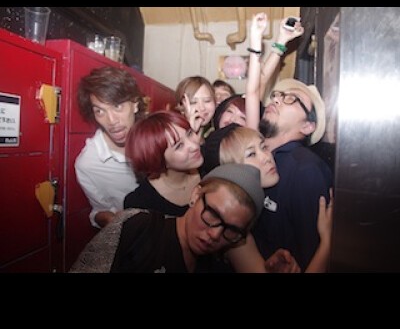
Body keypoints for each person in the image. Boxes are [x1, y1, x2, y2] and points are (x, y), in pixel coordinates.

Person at [246, 13, 334, 271]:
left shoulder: (306, 170)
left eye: (291, 99)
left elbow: (310, 253)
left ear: (308, 126)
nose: (276, 99)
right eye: (277, 95)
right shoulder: (257, 150)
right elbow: (253, 91)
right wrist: (279, 41)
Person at [111, 163, 297, 273]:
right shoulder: (138, 227)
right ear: (195, 195)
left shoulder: (217, 264)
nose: (215, 235)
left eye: (232, 230)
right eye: (213, 214)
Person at [202, 123, 333, 273]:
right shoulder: (232, 231)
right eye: (251, 154)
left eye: (263, 147)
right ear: (230, 169)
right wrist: (327, 242)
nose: (267, 157)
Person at [75, 66, 146, 229]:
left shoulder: (155, 138)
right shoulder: (88, 163)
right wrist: (109, 220)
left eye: (117, 106)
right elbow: (99, 210)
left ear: (135, 104)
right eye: (100, 111)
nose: (112, 121)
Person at [124, 111, 204, 216]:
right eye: (179, 146)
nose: (194, 146)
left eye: (189, 134)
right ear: (158, 160)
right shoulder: (141, 204)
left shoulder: (212, 164)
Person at [175, 76, 216, 141]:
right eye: (193, 102)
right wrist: (191, 130)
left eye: (207, 101)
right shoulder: (173, 136)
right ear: (181, 107)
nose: (202, 108)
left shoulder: (214, 137)